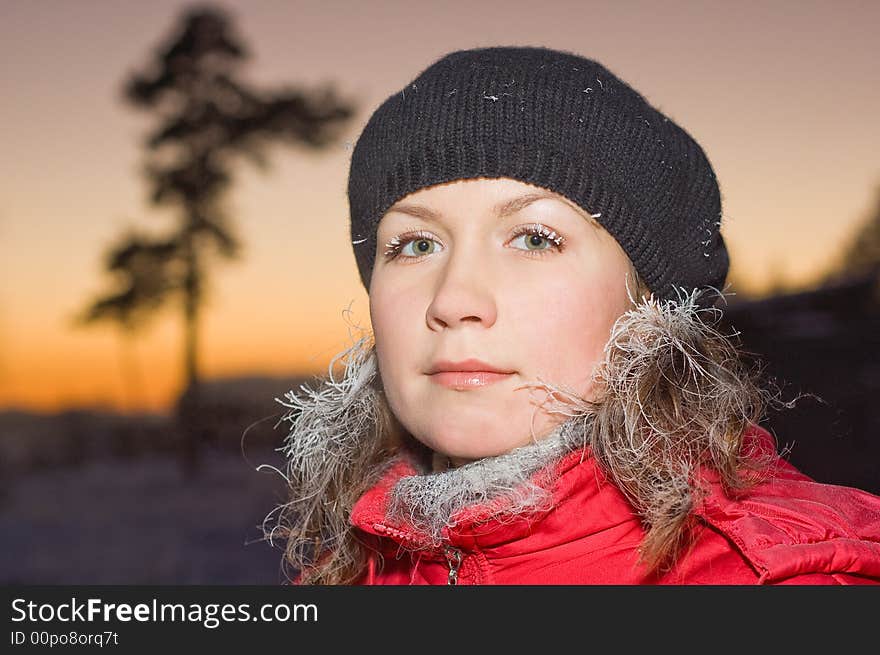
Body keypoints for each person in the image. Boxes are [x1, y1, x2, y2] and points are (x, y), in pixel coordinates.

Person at [265, 46, 880, 585]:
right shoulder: (349, 575)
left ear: (649, 305)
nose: (452, 301)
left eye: (534, 238)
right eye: (416, 245)